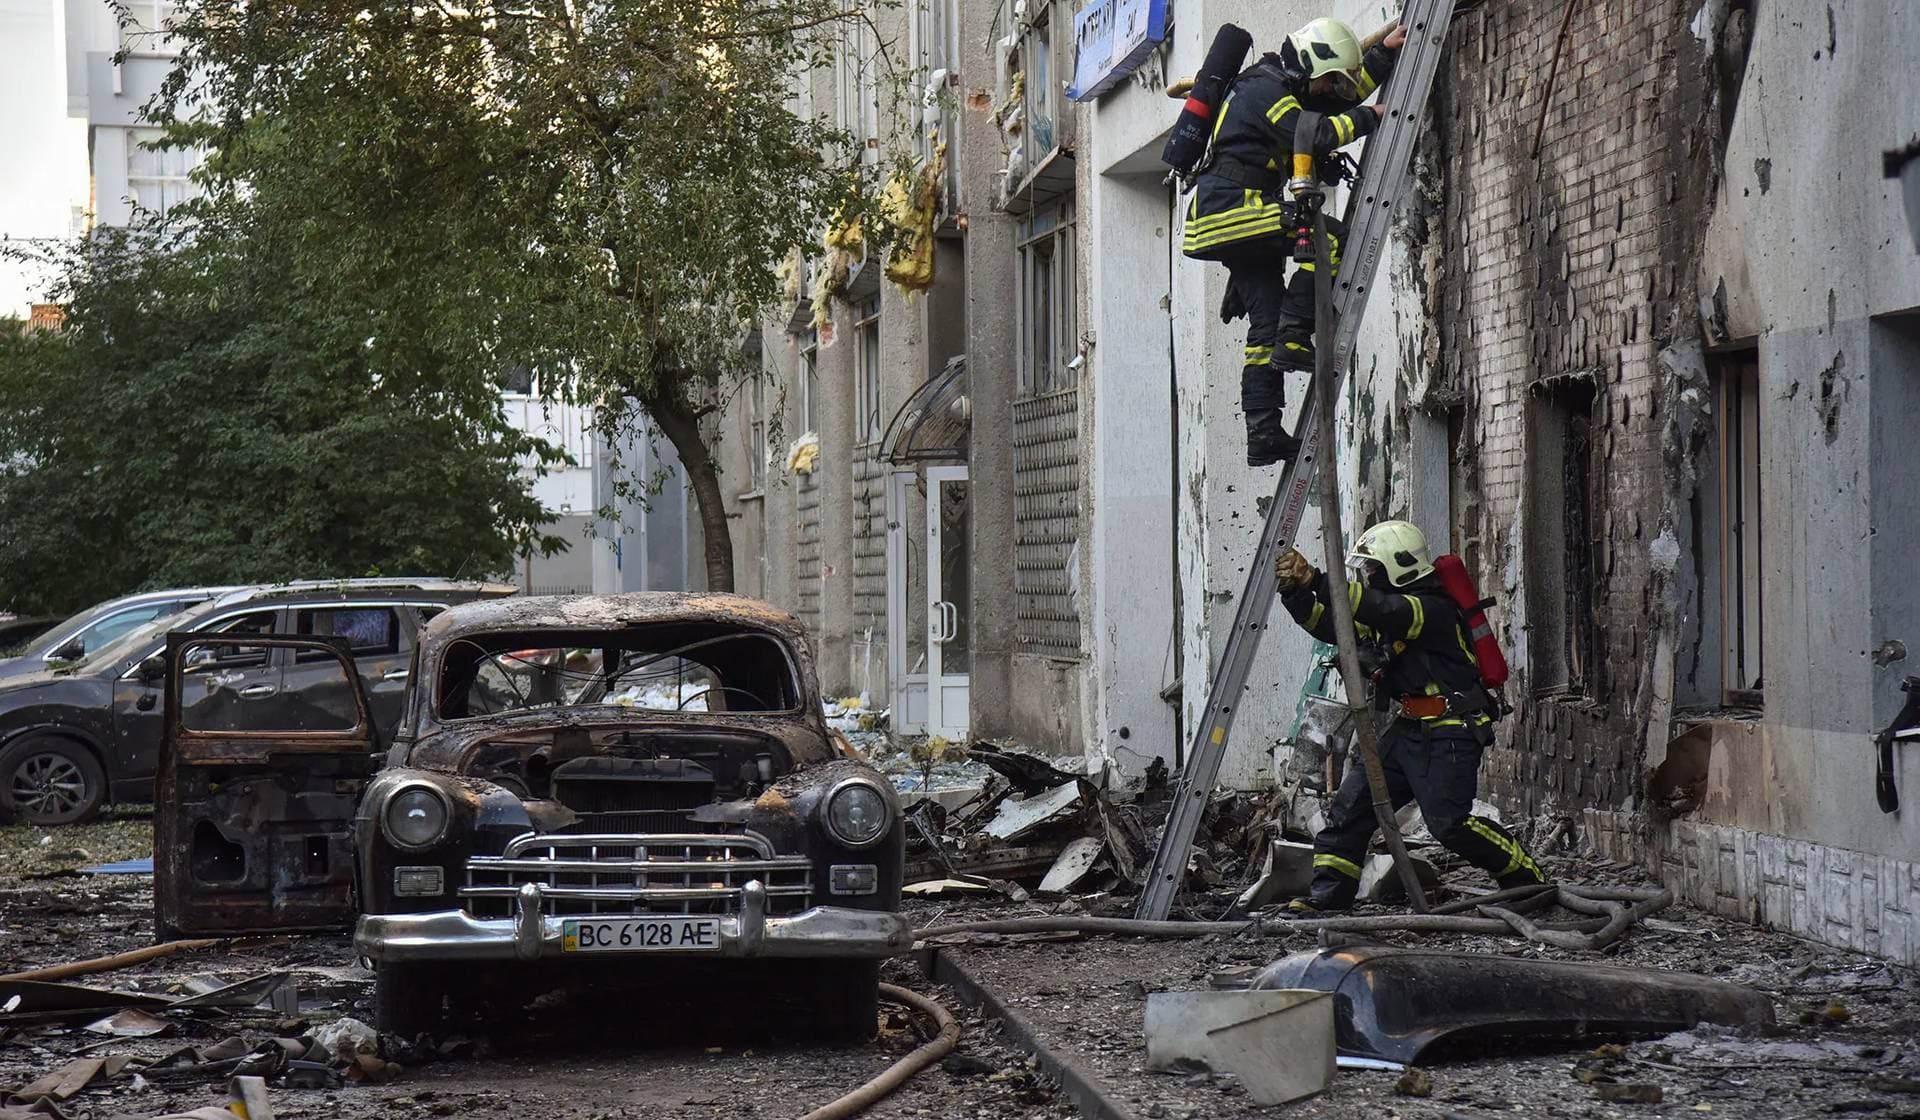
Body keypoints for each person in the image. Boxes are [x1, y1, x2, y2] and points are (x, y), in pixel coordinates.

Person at [1271, 520, 1545, 913]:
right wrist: (1295, 592)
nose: (1369, 576)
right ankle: (1329, 899)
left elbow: (1384, 609)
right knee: (1350, 809)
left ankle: (1528, 882)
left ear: (1398, 566)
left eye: (1374, 569)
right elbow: (1333, 626)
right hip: (1408, 729)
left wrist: (1316, 578)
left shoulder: (1431, 609)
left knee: (1449, 824)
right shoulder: (1387, 614)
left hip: (1451, 729)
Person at [1181, 17, 1405, 465]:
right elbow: (1315, 132)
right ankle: (1296, 334)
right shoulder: (1264, 91)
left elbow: (1336, 101)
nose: (1327, 88)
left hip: (1225, 218)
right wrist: (1373, 116)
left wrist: (1383, 53)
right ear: (1310, 63)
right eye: (1326, 79)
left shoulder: (1281, 89)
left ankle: (1262, 432)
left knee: (1264, 323)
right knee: (1330, 241)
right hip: (1232, 210)